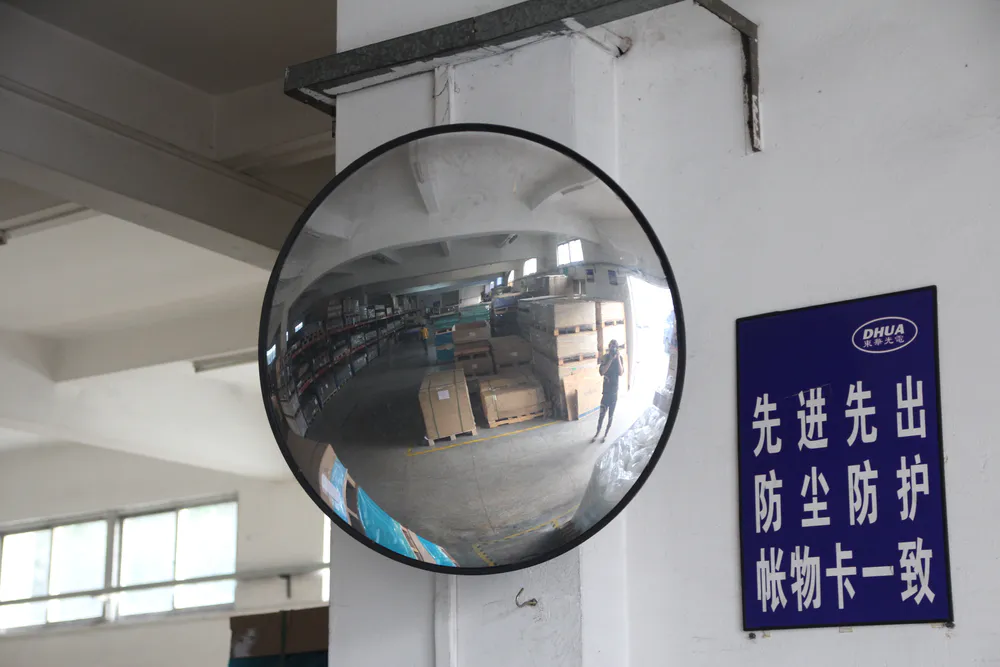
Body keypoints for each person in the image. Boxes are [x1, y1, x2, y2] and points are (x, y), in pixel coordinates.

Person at [594, 339, 625, 442]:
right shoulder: (605, 357)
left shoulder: (620, 358)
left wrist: (618, 359)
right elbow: (602, 372)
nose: (613, 349)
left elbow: (621, 373)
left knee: (610, 416)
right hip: (606, 393)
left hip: (614, 393)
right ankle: (597, 432)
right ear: (609, 347)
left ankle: (606, 434)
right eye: (611, 347)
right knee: (601, 415)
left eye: (615, 347)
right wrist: (611, 359)